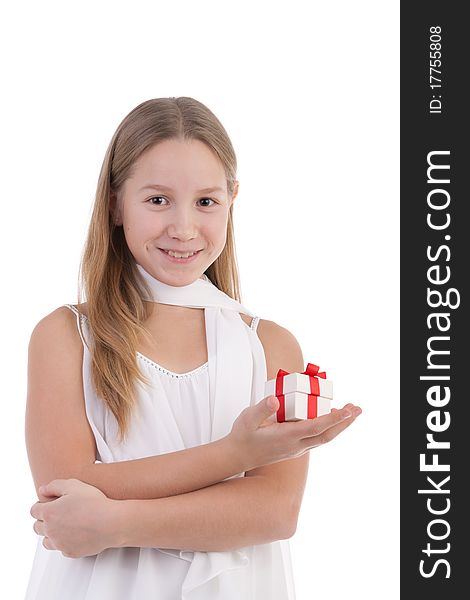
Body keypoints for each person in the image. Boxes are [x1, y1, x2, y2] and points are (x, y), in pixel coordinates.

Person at [24, 96, 362, 600]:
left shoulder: (268, 344)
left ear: (232, 200)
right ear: (115, 203)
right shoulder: (67, 336)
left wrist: (114, 522)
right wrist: (234, 455)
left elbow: (274, 512)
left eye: (205, 202)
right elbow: (62, 493)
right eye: (157, 200)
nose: (183, 228)